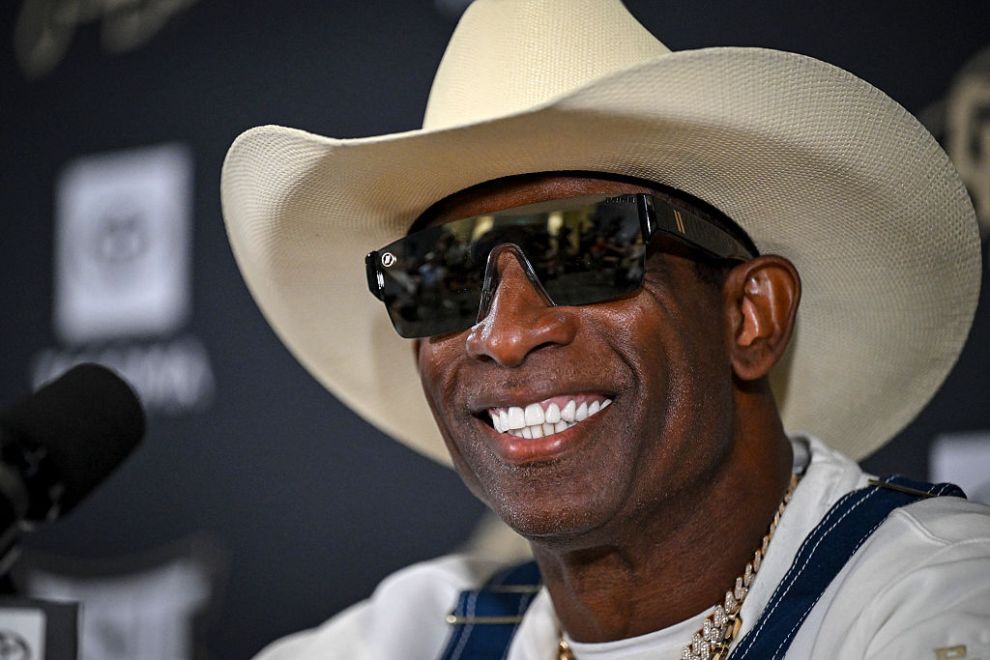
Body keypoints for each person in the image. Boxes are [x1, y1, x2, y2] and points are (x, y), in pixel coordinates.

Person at [220, 0, 990, 657]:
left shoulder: (937, 599)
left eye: (588, 248)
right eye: (445, 275)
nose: (506, 333)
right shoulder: (416, 632)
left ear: (748, 316)